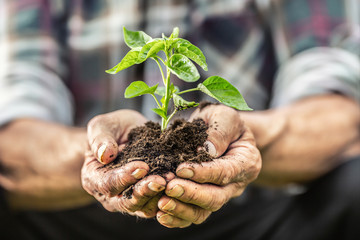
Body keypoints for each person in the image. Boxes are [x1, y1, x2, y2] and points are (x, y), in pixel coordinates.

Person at [0, 0, 359, 239]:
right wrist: (97, 153)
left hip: (255, 214)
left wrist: (246, 137)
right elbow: (19, 107)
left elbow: (336, 104)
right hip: (78, 214)